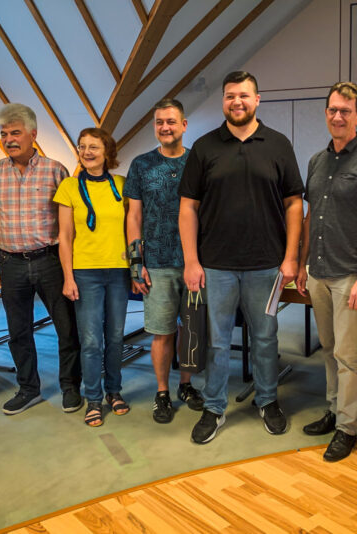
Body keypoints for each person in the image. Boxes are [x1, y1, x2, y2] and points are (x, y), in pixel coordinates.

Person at [179, 71, 304, 444]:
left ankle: (267, 400)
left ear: (257, 99)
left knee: (265, 337)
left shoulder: (278, 145)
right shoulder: (204, 148)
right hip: (215, 265)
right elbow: (188, 208)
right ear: (223, 101)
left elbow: (294, 204)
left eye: (244, 95)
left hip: (267, 265)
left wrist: (291, 256)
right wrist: (191, 260)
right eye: (230, 95)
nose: (237, 101)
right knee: (216, 341)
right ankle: (214, 407)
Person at [295, 82, 357, 461]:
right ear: (326, 113)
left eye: (345, 111)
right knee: (330, 349)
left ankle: (347, 428)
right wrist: (303, 263)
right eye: (333, 110)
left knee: (349, 356)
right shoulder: (317, 161)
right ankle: (334, 411)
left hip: (350, 274)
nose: (338, 117)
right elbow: (308, 218)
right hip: (317, 271)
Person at [0, 103, 82, 416]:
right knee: (18, 331)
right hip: (11, 265)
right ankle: (28, 388)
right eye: (4, 134)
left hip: (49, 260)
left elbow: (67, 224)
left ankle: (70, 387)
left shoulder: (55, 170)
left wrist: (68, 270)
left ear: (32, 134)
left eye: (15, 132)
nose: (9, 139)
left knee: (66, 328)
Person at [124, 99, 204, 424]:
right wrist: (134, 262)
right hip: (156, 263)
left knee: (191, 330)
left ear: (184, 125)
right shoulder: (141, 165)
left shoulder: (198, 163)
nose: (165, 127)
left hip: (193, 263)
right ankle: (161, 392)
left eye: (171, 121)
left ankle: (185, 384)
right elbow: (133, 216)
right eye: (159, 122)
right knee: (161, 332)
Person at [54, 127, 131, 427]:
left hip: (118, 271)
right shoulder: (69, 187)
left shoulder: (122, 185)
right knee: (90, 341)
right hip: (85, 272)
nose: (87, 152)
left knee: (114, 336)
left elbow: (131, 227)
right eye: (82, 146)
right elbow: (65, 236)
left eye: (94, 147)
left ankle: (114, 391)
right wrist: (68, 277)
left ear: (107, 152)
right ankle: (93, 399)